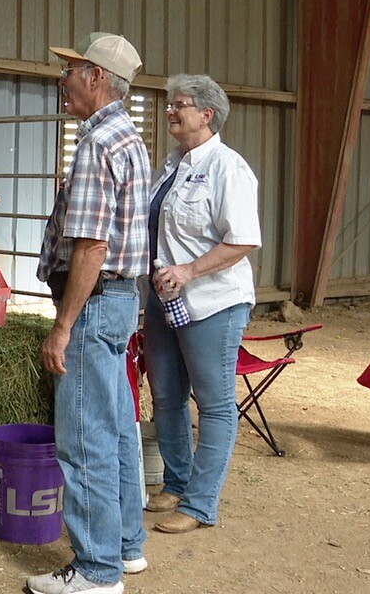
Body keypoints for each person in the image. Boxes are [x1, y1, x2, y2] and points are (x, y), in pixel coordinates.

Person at [27, 33, 151, 594]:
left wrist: (62, 325)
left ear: (97, 77)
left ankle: (96, 570)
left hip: (95, 304)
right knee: (118, 427)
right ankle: (125, 547)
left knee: (83, 440)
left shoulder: (99, 143)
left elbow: (92, 248)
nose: (64, 79)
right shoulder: (130, 138)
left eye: (72, 70)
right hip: (122, 301)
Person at [142, 74, 261, 534]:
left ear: (207, 115)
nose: (170, 110)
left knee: (213, 404)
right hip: (162, 298)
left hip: (212, 302)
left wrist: (188, 272)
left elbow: (244, 240)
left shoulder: (229, 168)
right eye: (170, 103)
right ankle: (175, 482)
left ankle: (200, 504)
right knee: (167, 395)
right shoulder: (172, 165)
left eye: (181, 105)